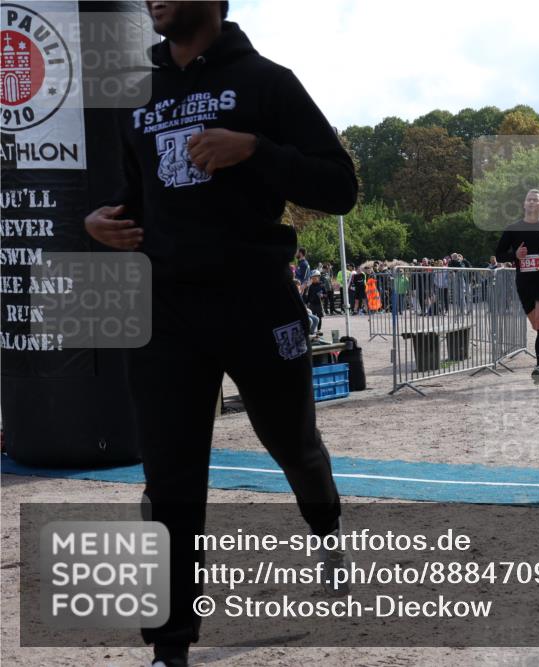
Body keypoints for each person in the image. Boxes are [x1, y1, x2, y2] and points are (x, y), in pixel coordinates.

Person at [82, 3, 357, 666]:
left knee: (294, 444)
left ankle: (325, 528)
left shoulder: (267, 82)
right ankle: (169, 647)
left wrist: (254, 149)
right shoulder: (135, 96)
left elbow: (340, 185)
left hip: (256, 300)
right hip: (166, 311)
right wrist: (102, 224)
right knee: (170, 477)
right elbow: (133, 199)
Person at [493, 189, 539, 384]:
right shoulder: (513, 229)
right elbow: (499, 254)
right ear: (524, 205)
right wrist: (514, 256)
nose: (532, 202)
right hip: (524, 281)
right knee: (537, 325)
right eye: (529, 200)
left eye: (536, 200)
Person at [305, 269, 327, 337]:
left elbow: (326, 295)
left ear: (318, 277)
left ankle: (319, 329)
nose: (314, 279)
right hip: (311, 304)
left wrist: (322, 295)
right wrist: (306, 303)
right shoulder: (310, 286)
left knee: (319, 317)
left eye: (315, 277)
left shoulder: (322, 285)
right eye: (312, 278)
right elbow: (307, 295)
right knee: (312, 317)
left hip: (319, 304)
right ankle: (312, 330)